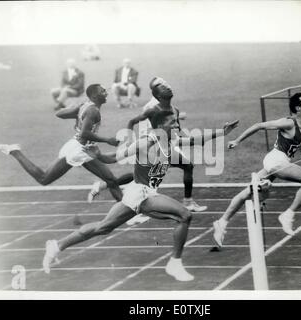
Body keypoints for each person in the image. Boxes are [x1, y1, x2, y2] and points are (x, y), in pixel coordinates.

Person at [42, 87, 239, 281]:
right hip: (142, 194)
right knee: (184, 215)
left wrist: (222, 132)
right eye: (172, 122)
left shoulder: (169, 139)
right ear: (161, 125)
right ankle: (174, 264)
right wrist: (98, 154)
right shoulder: (147, 142)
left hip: (140, 194)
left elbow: (196, 140)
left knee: (103, 228)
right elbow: (115, 158)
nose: (176, 125)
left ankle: (57, 245)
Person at [212, 93, 301, 247]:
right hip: (275, 161)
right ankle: (287, 214)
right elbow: (258, 126)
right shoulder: (288, 122)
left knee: (249, 192)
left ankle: (222, 222)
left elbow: (298, 139)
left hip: (278, 162)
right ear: (298, 108)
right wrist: (237, 141)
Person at [0, 84, 133, 204]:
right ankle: (14, 151)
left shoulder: (86, 107)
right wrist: (108, 140)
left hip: (81, 147)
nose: (106, 93)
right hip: (79, 151)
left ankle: (128, 211)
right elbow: (85, 133)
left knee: (111, 179)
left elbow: (59, 114)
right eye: (103, 91)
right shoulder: (92, 111)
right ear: (95, 96)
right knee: (44, 179)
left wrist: (78, 110)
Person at [87, 77, 207, 212]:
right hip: (153, 144)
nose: (167, 84)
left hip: (161, 141)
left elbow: (169, 121)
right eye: (163, 84)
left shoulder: (165, 104)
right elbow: (147, 124)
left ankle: (105, 186)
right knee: (151, 174)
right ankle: (159, 203)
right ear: (157, 90)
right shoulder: (152, 106)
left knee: (149, 174)